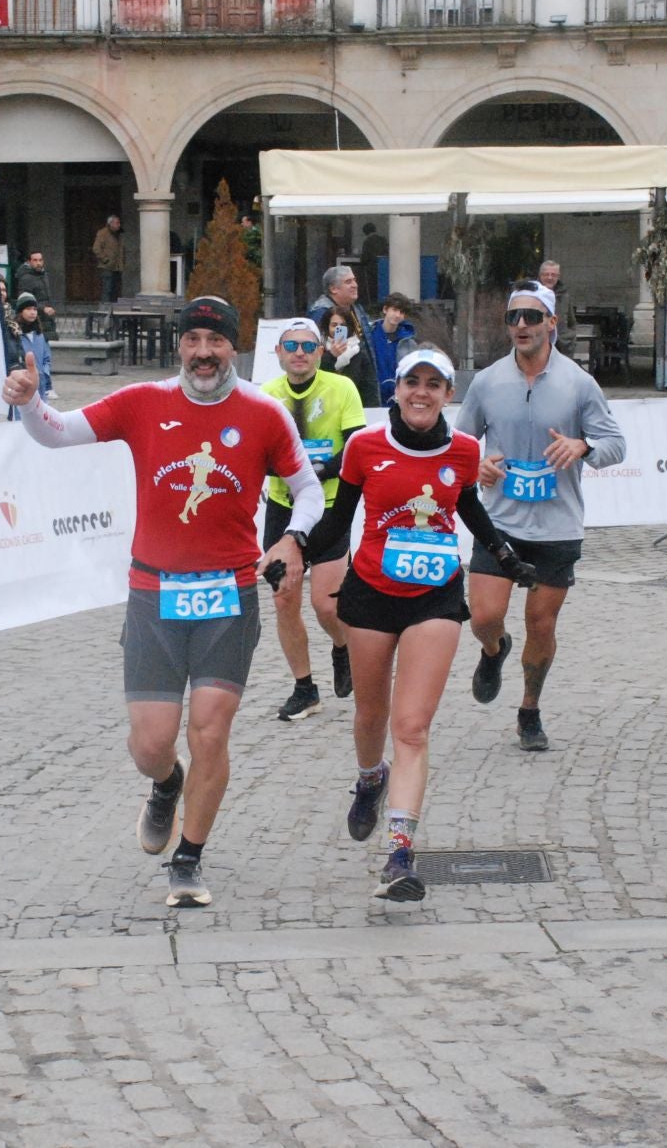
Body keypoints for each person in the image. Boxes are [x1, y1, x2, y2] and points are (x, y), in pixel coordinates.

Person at [3, 296, 320, 909]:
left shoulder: (264, 412)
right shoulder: (144, 402)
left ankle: (189, 857)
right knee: (151, 743)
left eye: (216, 341)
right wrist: (29, 403)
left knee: (209, 731)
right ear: (181, 347)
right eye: (193, 341)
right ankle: (166, 784)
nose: (204, 354)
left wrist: (289, 537)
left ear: (234, 348)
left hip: (227, 595)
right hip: (153, 592)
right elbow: (57, 434)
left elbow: (306, 490)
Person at [292, 346, 537, 900]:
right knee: (371, 716)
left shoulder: (466, 449)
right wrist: (298, 546)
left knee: (412, 727)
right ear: (396, 391)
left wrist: (505, 557)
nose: (421, 393)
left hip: (435, 598)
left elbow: (469, 507)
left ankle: (400, 856)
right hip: (372, 594)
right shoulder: (366, 446)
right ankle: (369, 779)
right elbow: (339, 515)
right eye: (412, 383)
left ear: (448, 393)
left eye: (434, 384)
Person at [457, 281, 627, 752]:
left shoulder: (579, 383)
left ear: (552, 323)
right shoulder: (488, 381)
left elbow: (616, 445)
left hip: (557, 526)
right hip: (501, 523)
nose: (522, 325)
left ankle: (529, 710)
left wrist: (583, 444)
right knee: (485, 617)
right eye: (514, 318)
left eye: (532, 316)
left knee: (541, 623)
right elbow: (460, 446)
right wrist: (478, 466)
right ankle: (493, 650)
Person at [259, 317, 366, 721]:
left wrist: (315, 474)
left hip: (329, 506)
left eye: (308, 346)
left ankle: (342, 647)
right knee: (284, 600)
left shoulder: (342, 388)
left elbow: (355, 445)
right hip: (283, 509)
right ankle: (304, 688)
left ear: (321, 352)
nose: (299, 353)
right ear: (278, 352)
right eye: (292, 346)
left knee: (326, 605)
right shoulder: (267, 396)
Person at [319, 303, 378, 408]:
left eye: (342, 326)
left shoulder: (358, 354)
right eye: (334, 325)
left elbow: (370, 391)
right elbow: (318, 378)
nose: (338, 329)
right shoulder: (318, 351)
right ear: (327, 327)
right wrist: (331, 356)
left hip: (352, 411)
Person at [368, 294, 418, 404]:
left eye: (401, 312)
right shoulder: (369, 335)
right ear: (385, 309)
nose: (397, 315)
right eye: (394, 310)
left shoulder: (409, 342)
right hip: (372, 396)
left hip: (399, 399)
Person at [13, 291, 54, 402]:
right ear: (20, 311)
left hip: (40, 384)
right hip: (23, 384)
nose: (32, 312)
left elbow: (46, 358)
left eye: (35, 309)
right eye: (28, 309)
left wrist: (44, 373)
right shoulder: (15, 334)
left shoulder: (40, 335)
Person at [93, 214, 124, 302]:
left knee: (116, 290)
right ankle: (105, 310)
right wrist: (105, 260)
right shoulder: (103, 233)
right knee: (107, 289)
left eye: (119, 223)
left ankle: (113, 311)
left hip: (117, 267)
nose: (119, 225)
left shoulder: (118, 234)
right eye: (117, 223)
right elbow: (96, 248)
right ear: (110, 223)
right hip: (107, 267)